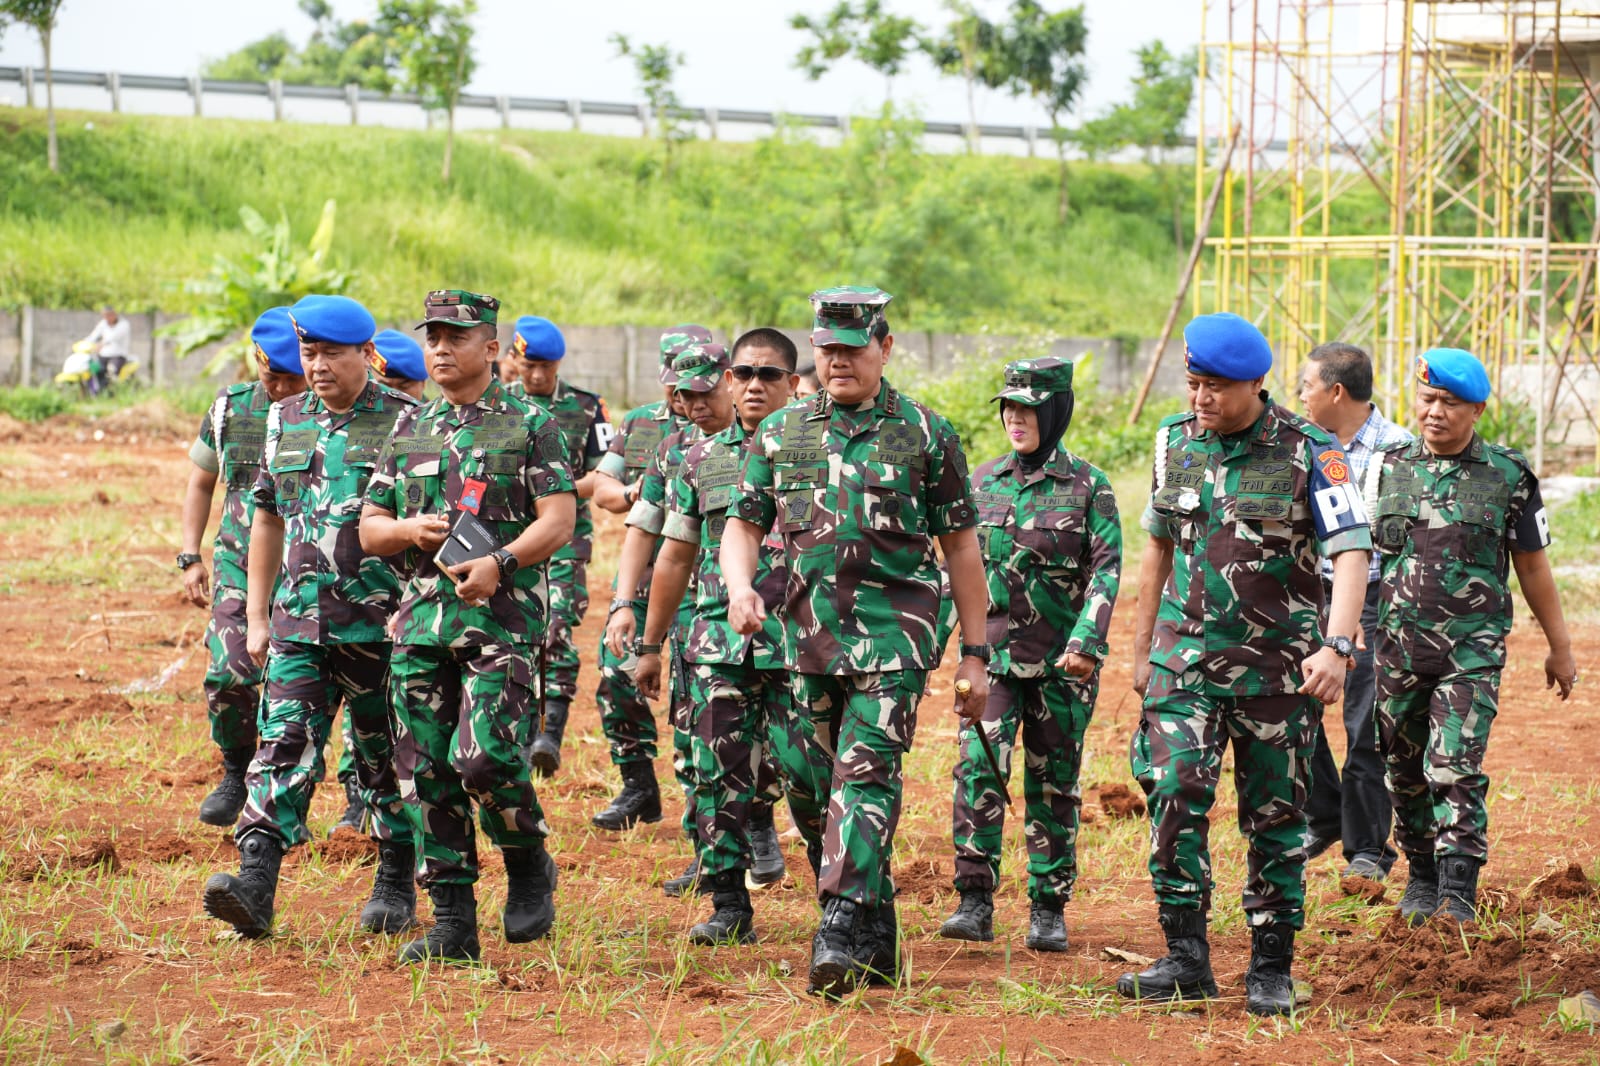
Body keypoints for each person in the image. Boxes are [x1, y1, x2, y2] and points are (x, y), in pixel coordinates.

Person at [722, 285, 992, 997]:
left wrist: (975, 650)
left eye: (852, 348)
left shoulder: (925, 433)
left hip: (894, 639)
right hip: (804, 639)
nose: (838, 361)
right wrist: (740, 587)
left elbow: (961, 546)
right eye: (827, 349)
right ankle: (872, 921)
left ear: (886, 347)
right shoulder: (781, 433)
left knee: (865, 777)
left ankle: (838, 924)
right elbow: (743, 524)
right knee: (812, 792)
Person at [1118, 312, 1371, 1016]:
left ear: (1256, 383)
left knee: (1276, 819)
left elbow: (1352, 550)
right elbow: (1157, 548)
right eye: (1194, 383)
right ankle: (1186, 957)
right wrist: (1140, 651)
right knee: (1173, 795)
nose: (1202, 399)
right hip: (1183, 666)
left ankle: (1270, 965)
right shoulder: (1174, 441)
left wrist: (1338, 644)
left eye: (1217, 388)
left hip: (1276, 675)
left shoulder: (1313, 452)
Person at [359, 289, 576, 965]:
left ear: (490, 347)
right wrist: (404, 528)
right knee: (424, 774)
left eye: (457, 337)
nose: (442, 349)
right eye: (434, 338)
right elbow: (369, 529)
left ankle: (526, 855)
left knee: (484, 758)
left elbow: (559, 519)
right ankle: (453, 923)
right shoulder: (411, 427)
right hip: (420, 626)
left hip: (500, 622)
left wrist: (501, 562)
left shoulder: (531, 424)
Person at [202, 295, 418, 940]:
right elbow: (267, 516)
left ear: (365, 355)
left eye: (331, 353)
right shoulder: (283, 418)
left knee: (384, 758)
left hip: (383, 625)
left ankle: (395, 881)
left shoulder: (409, 421)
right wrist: (261, 614)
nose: (317, 366)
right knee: (281, 747)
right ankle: (256, 884)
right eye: (310, 353)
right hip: (301, 620)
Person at [1367, 348, 1576, 925]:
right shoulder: (1388, 466)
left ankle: (1459, 888)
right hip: (1397, 648)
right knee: (1403, 768)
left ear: (1477, 409)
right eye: (1428, 399)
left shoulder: (1508, 475)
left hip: (1471, 650)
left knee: (1455, 762)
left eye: (1450, 402)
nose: (1435, 412)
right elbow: (1358, 555)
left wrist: (1560, 648)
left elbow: (1533, 566)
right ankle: (1421, 873)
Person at [625, 335, 811, 943]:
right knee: (716, 772)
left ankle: (841, 901)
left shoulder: (820, 451)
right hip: (714, 644)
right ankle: (728, 903)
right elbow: (674, 557)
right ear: (730, 381)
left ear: (792, 385)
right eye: (744, 373)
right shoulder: (699, 458)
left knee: (811, 773)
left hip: (800, 644)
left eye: (769, 375)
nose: (755, 385)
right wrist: (651, 643)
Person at [940, 356, 1121, 952]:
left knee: (1054, 784)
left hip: (1061, 665)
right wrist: (938, 643)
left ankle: (1048, 906)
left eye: (1029, 409)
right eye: (1008, 408)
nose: (1015, 419)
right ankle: (974, 899)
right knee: (978, 767)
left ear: (1056, 411)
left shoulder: (1090, 486)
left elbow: (1106, 571)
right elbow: (957, 571)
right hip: (991, 661)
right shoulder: (982, 482)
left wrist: (1087, 642)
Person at [178, 307, 307, 827]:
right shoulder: (230, 409)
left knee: (301, 688)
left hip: (308, 566)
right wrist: (190, 554)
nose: (278, 387)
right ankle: (236, 769)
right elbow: (201, 482)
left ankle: (335, 793)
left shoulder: (322, 415)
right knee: (228, 674)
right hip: (237, 560)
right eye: (269, 374)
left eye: (288, 376)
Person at [1297, 343, 1412, 881]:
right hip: (1305, 597)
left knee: (1365, 725)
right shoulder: (1302, 447)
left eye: (1308, 386)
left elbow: (1409, 543)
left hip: (1375, 603)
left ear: (1336, 392)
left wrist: (1370, 616)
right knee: (1292, 712)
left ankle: (1368, 849)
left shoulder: (1400, 452)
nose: (1301, 395)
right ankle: (1323, 814)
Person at [586, 327, 703, 837]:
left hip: (704, 580)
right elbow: (600, 486)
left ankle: (706, 806)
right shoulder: (639, 425)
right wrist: (635, 493)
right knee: (617, 673)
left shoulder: (730, 422)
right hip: (645, 571)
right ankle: (638, 787)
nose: (684, 393)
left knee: (700, 690)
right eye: (676, 380)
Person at [509, 315, 614, 776]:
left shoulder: (586, 408)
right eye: (530, 364)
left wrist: (558, 491)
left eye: (546, 367)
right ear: (514, 359)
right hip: (507, 534)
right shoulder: (494, 405)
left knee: (557, 625)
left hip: (565, 537)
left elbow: (605, 471)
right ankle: (517, 728)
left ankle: (550, 732)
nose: (537, 375)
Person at [81, 306, 132, 394]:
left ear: (114, 314)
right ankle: (99, 393)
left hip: (118, 355)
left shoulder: (124, 324)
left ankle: (114, 393)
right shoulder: (103, 323)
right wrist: (83, 343)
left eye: (109, 315)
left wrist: (101, 344)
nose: (107, 318)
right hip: (103, 355)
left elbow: (113, 337)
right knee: (95, 369)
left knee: (111, 371)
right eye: (105, 316)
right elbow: (93, 336)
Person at [372, 329, 429, 400]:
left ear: (423, 384)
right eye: (384, 387)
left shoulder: (437, 410)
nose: (394, 396)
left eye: (404, 387)